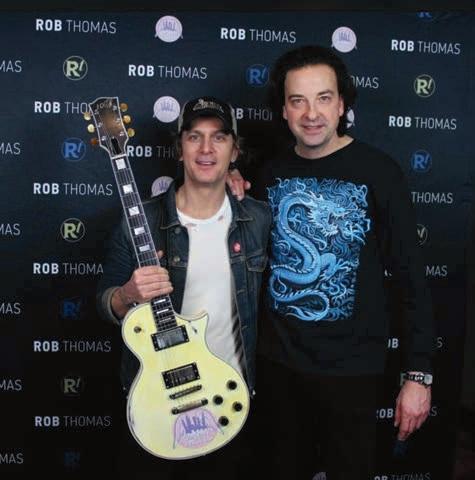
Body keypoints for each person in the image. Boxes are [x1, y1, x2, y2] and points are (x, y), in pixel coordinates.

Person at [228, 45, 436, 479]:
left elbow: (411, 279)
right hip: (278, 368)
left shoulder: (379, 172)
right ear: (283, 110)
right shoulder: (268, 173)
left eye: (323, 98)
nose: (311, 114)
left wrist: (419, 375)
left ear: (342, 105)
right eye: (298, 100)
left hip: (352, 373)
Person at [96, 95, 271, 479]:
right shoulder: (141, 220)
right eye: (194, 137)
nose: (206, 149)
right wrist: (127, 295)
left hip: (229, 399)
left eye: (219, 137)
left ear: (234, 152)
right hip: (156, 402)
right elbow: (105, 303)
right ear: (179, 149)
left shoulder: (258, 219)